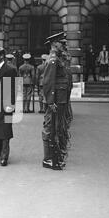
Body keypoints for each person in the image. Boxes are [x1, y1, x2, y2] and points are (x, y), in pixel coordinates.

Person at [42, 32, 70, 170]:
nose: (63, 45)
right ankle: (48, 159)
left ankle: (53, 157)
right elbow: (48, 82)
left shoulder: (57, 59)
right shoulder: (52, 60)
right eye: (61, 43)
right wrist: (50, 101)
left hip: (60, 99)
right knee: (50, 128)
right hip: (55, 100)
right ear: (54, 44)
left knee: (55, 127)